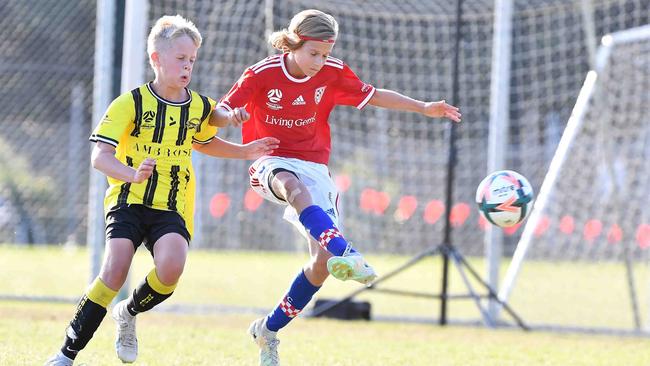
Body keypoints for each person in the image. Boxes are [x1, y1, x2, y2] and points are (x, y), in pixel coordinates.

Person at [213, 9, 462, 366]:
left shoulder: (332, 72)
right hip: (267, 159)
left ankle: (268, 330)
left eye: (326, 54)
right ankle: (347, 250)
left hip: (314, 165)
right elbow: (219, 111)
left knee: (322, 264)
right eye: (313, 53)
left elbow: (374, 95)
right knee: (293, 188)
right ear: (293, 44)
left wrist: (423, 107)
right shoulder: (261, 73)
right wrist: (231, 116)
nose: (319, 62)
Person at [45, 15, 278, 366]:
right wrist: (131, 174)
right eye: (180, 59)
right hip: (129, 199)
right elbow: (99, 157)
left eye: (192, 61)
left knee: (171, 270)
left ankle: (128, 313)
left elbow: (205, 138)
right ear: (156, 58)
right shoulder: (130, 103)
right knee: (114, 269)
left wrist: (243, 148)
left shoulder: (198, 105)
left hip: (172, 204)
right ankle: (66, 354)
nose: (187, 67)